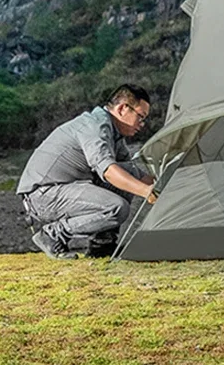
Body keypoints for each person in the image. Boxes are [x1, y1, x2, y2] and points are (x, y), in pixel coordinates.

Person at [17, 84, 157, 259]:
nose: (142, 125)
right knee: (116, 208)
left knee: (130, 172)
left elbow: (132, 172)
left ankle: (103, 245)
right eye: (140, 117)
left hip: (66, 187)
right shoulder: (95, 127)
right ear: (122, 108)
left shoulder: (114, 132)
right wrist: (146, 192)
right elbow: (108, 171)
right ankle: (52, 235)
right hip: (43, 194)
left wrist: (160, 185)